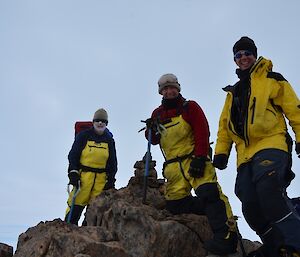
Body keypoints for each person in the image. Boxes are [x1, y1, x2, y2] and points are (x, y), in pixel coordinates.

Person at [213, 36, 300, 257]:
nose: (243, 58)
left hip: (272, 143)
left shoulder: (272, 79)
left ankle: (295, 242)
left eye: (247, 53)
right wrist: (222, 152)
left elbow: (295, 110)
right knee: (250, 205)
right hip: (244, 155)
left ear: (255, 55)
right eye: (238, 55)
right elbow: (225, 126)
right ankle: (276, 246)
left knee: (269, 190)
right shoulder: (233, 93)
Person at [145, 73, 238, 255]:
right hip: (173, 168)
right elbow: (154, 140)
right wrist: (150, 128)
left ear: (178, 89)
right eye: (165, 89)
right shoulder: (157, 114)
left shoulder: (190, 107)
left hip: (194, 159)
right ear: (161, 92)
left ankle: (226, 237)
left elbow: (202, 131)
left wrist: (200, 157)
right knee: (176, 206)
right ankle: (210, 213)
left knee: (210, 193)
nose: (169, 91)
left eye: (172, 87)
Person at [65, 108, 118, 225]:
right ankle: (68, 228)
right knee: (76, 206)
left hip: (100, 180)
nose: (100, 123)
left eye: (103, 121)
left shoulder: (109, 140)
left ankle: (87, 233)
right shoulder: (83, 136)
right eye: (98, 121)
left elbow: (112, 162)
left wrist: (111, 180)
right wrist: (73, 172)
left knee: (95, 211)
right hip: (83, 179)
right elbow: (73, 155)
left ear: (106, 124)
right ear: (93, 122)